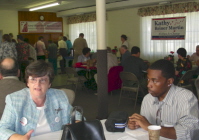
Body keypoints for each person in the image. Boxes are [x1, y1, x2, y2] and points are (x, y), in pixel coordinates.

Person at [0, 60, 81, 139]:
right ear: (27, 82)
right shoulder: (14, 99)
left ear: (49, 84)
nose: (37, 84)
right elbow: (2, 129)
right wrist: (18, 138)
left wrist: (77, 123)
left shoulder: (59, 96)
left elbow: (76, 114)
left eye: (42, 80)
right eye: (33, 79)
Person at [128, 59, 199, 140]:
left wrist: (150, 127)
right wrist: (137, 123)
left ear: (169, 81)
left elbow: (188, 132)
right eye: (148, 79)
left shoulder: (186, 98)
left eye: (155, 81)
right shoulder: (147, 99)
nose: (149, 85)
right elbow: (144, 127)